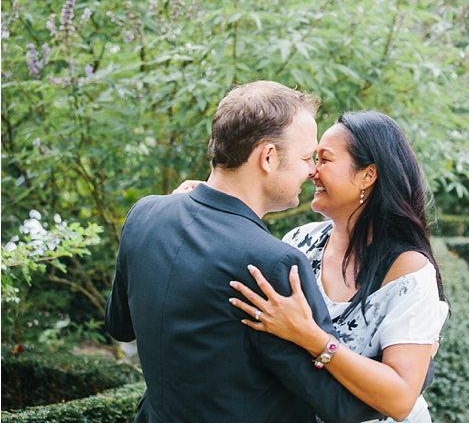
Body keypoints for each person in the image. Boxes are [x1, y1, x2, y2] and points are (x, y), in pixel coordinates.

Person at [104, 81, 383, 422]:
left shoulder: (145, 215)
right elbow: (338, 405)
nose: (313, 171)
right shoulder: (273, 264)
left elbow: (119, 327)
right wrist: (415, 368)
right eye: (306, 157)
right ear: (268, 157)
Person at [226, 111, 449, 422]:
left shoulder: (407, 271)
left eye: (325, 160)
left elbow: (399, 398)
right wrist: (208, 206)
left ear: (367, 175)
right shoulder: (299, 243)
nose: (311, 172)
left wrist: (311, 337)